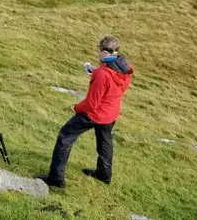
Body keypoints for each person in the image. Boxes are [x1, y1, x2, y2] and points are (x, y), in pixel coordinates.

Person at [39, 35, 134, 189]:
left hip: (95, 114)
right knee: (105, 143)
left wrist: (76, 108)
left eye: (99, 50)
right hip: (111, 113)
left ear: (104, 52)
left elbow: (91, 103)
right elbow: (118, 85)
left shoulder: (102, 74)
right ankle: (104, 175)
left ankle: (56, 178)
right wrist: (98, 71)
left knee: (65, 137)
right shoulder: (125, 68)